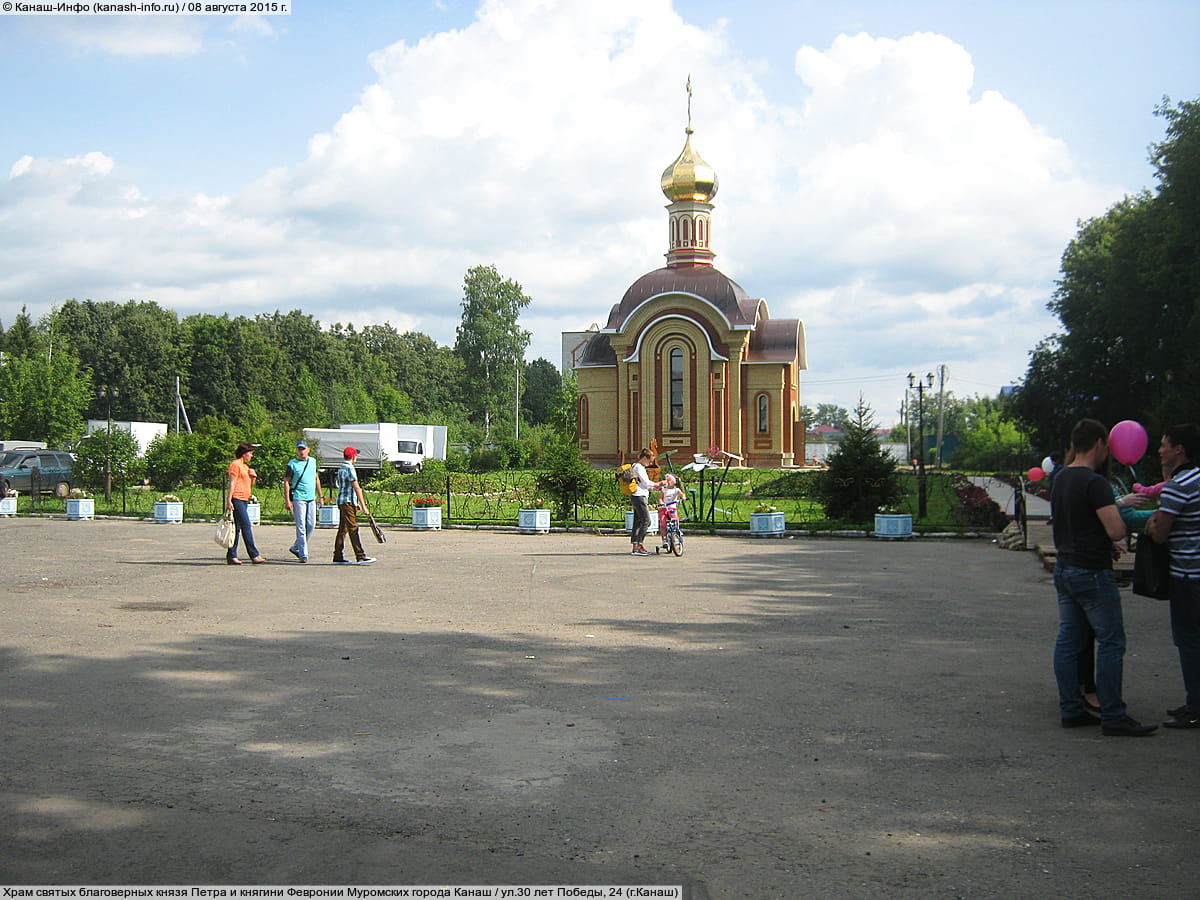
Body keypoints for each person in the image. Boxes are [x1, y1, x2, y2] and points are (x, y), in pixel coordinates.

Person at [1051, 418, 1155, 736]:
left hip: (1065, 566)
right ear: (1099, 443)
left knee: (1069, 640)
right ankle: (1113, 715)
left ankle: (1071, 708)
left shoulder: (1061, 478)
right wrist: (1117, 531)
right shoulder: (1095, 483)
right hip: (1092, 572)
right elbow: (1116, 529)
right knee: (1111, 642)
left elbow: (1076, 522)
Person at [1146, 423, 1200, 729]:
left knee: (1189, 641)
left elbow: (1159, 533)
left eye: (1164, 444)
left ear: (1179, 449)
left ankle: (1195, 706)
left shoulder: (1178, 486)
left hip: (1187, 574)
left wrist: (1154, 519)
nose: (1159, 450)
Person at [333, 446, 375, 566]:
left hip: (343, 501)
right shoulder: (350, 468)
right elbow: (356, 487)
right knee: (353, 528)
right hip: (347, 502)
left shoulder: (341, 468)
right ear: (353, 457)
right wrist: (363, 505)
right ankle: (360, 555)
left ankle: (338, 555)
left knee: (343, 529)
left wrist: (355, 503)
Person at [225, 441, 266, 565]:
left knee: (237, 528)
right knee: (246, 525)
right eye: (250, 453)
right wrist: (229, 500)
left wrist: (253, 477)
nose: (251, 456)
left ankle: (231, 555)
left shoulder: (245, 467)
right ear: (244, 454)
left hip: (244, 499)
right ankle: (254, 554)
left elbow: (249, 485)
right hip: (236, 498)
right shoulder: (235, 464)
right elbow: (232, 483)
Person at [284, 440, 319, 563]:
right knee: (301, 526)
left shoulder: (313, 461)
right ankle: (303, 553)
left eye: (303, 449)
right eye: (299, 449)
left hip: (311, 497)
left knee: (311, 524)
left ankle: (295, 547)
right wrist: (288, 500)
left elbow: (316, 478)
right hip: (298, 497)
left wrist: (320, 495)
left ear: (308, 450)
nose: (302, 451)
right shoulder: (292, 464)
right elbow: (287, 482)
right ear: (297, 450)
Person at [628, 448, 658, 556]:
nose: (650, 464)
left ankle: (635, 547)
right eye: (649, 461)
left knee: (638, 522)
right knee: (646, 521)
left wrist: (653, 488)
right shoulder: (639, 467)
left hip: (637, 496)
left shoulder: (636, 466)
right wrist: (657, 484)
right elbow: (645, 482)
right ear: (644, 458)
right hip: (639, 496)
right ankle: (639, 545)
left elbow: (643, 484)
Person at [657, 472, 686, 548]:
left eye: (669, 480)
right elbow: (660, 498)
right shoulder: (664, 490)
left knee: (675, 519)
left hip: (672, 507)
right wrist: (661, 503)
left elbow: (682, 494)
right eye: (666, 480)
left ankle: (677, 531)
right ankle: (664, 539)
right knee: (663, 523)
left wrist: (683, 498)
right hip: (664, 508)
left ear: (673, 482)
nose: (667, 482)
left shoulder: (676, 490)